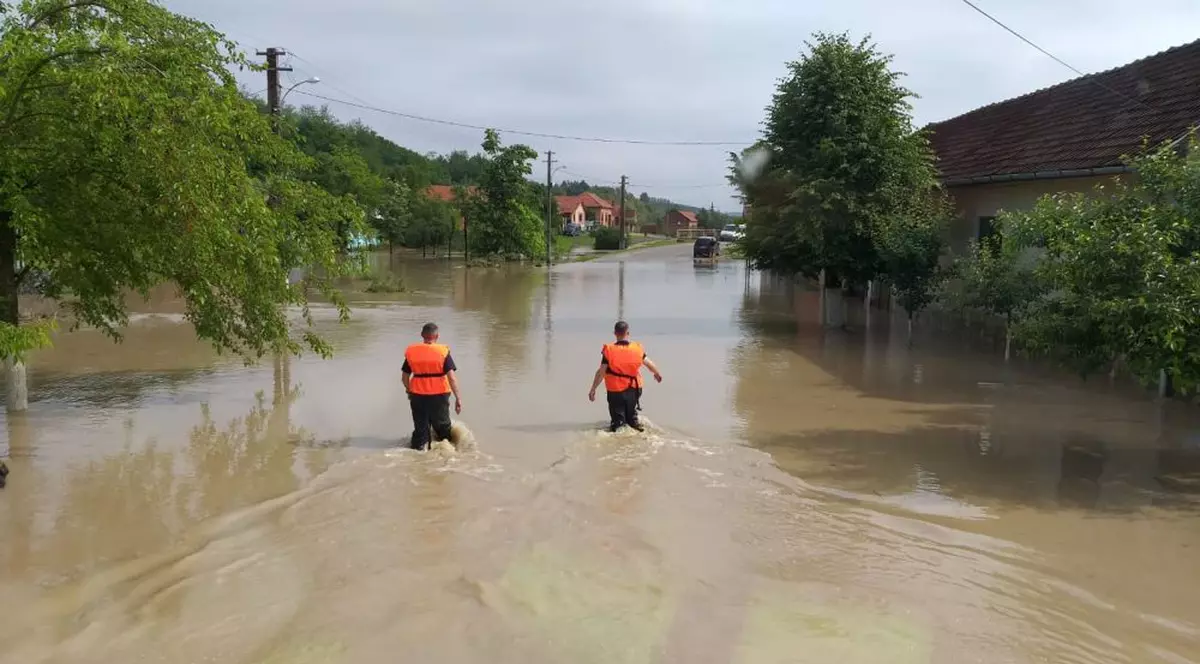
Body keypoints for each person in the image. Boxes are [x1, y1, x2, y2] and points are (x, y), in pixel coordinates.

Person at [588, 320, 663, 432]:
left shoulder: (609, 350)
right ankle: (636, 427)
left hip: (616, 390)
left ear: (615, 333)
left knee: (618, 424)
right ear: (627, 333)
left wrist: (593, 388)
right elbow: (649, 363)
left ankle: (620, 439)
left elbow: (601, 372)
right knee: (631, 417)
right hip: (635, 388)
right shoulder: (637, 348)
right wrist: (657, 373)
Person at [402, 322, 463, 451]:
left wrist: (409, 390)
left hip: (417, 395)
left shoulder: (412, 352)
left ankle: (419, 449)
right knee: (443, 427)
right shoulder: (442, 352)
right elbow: (451, 377)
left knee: (421, 428)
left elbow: (404, 377)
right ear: (437, 336)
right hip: (439, 395)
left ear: (422, 335)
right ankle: (447, 452)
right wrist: (458, 398)